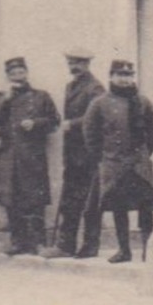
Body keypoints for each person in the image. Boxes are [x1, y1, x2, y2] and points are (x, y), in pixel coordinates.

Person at [83, 59, 153, 263]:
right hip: (114, 163)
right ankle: (124, 250)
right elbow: (90, 133)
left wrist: (144, 153)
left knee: (146, 206)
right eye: (120, 75)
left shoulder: (142, 102)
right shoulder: (100, 103)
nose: (125, 79)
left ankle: (148, 249)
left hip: (138, 164)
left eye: (128, 75)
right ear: (111, 76)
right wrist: (102, 157)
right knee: (119, 206)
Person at [0, 56, 61, 256]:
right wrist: (5, 99)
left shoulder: (41, 96)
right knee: (12, 201)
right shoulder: (3, 96)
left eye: (21, 72)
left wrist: (35, 123)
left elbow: (54, 121)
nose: (18, 76)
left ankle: (39, 243)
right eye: (13, 73)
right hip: (10, 157)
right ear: (8, 76)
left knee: (35, 200)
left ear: (27, 73)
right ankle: (18, 242)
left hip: (32, 157)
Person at [54, 49, 106, 258]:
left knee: (90, 202)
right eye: (70, 62)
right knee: (70, 200)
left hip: (89, 154)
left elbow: (97, 117)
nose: (73, 66)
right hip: (73, 153)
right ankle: (66, 246)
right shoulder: (71, 86)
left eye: (78, 63)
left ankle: (91, 245)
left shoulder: (95, 88)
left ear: (87, 64)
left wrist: (72, 125)